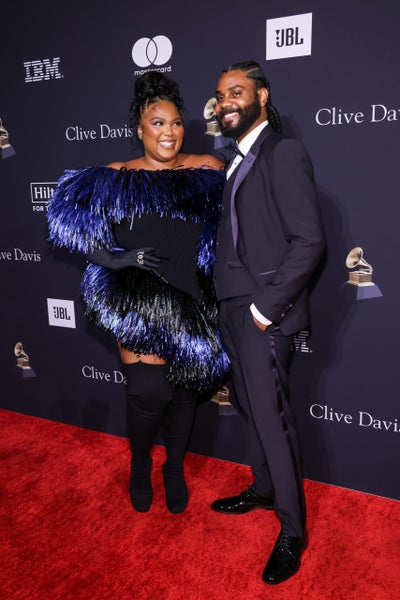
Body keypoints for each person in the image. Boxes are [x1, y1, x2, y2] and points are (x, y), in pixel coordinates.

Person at [47, 72, 228, 515]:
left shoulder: (208, 168)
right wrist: (115, 260)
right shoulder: (115, 176)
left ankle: (174, 467)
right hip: (139, 301)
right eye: (158, 123)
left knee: (184, 394)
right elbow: (67, 222)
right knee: (149, 395)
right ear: (140, 128)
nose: (169, 132)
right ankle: (141, 462)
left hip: (195, 296)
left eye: (176, 122)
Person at [211, 61, 325, 584]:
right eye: (220, 96)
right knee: (250, 407)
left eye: (236, 92)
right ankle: (263, 489)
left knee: (273, 421)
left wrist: (264, 310)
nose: (225, 103)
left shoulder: (282, 152)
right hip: (232, 309)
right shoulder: (232, 161)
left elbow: (310, 241)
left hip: (262, 313)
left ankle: (293, 530)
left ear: (262, 95)